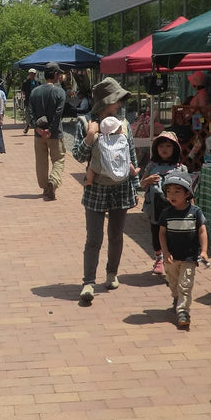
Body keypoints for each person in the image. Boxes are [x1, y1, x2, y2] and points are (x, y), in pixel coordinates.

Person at [73, 77, 138, 302]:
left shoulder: (125, 124)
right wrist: (90, 137)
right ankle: (88, 282)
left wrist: (136, 187)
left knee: (116, 235)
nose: (119, 105)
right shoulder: (84, 123)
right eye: (116, 100)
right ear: (105, 102)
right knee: (94, 238)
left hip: (120, 188)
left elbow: (131, 155)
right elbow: (79, 156)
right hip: (96, 188)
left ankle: (112, 274)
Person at [158, 172, 208, 329]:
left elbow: (202, 231)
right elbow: (162, 233)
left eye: (177, 191)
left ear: (187, 193)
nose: (171, 195)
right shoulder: (166, 213)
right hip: (171, 257)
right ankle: (176, 297)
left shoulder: (195, 212)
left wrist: (204, 251)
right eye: (169, 192)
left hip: (189, 257)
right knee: (173, 283)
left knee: (185, 284)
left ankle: (183, 311)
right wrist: (164, 252)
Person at [140, 131, 184, 275]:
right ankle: (159, 257)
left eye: (168, 146)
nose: (164, 149)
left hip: (175, 208)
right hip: (155, 207)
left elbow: (187, 190)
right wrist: (148, 180)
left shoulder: (180, 167)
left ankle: (172, 259)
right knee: (156, 232)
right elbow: (141, 185)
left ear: (175, 148)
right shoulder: (152, 166)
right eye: (161, 147)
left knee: (174, 234)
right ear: (156, 149)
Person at [28, 63, 66, 200]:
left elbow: (30, 112)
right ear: (55, 75)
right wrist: (50, 130)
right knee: (59, 159)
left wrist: (37, 128)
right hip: (54, 134)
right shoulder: (59, 92)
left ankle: (45, 186)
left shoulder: (34, 91)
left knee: (41, 162)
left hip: (38, 134)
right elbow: (58, 114)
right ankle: (53, 181)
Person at [84, 115, 136, 186]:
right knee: (128, 162)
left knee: (91, 167)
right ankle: (134, 172)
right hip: (122, 168)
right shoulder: (122, 138)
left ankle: (89, 181)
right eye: (120, 128)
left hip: (102, 170)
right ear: (117, 129)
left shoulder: (100, 139)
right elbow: (127, 153)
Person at [20, 68, 40, 134]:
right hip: (28, 101)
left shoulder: (38, 82)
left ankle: (37, 128)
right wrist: (22, 96)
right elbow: (23, 90)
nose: (32, 75)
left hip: (36, 101)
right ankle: (27, 125)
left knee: (37, 115)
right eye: (31, 73)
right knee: (28, 115)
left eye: (33, 73)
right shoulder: (26, 82)